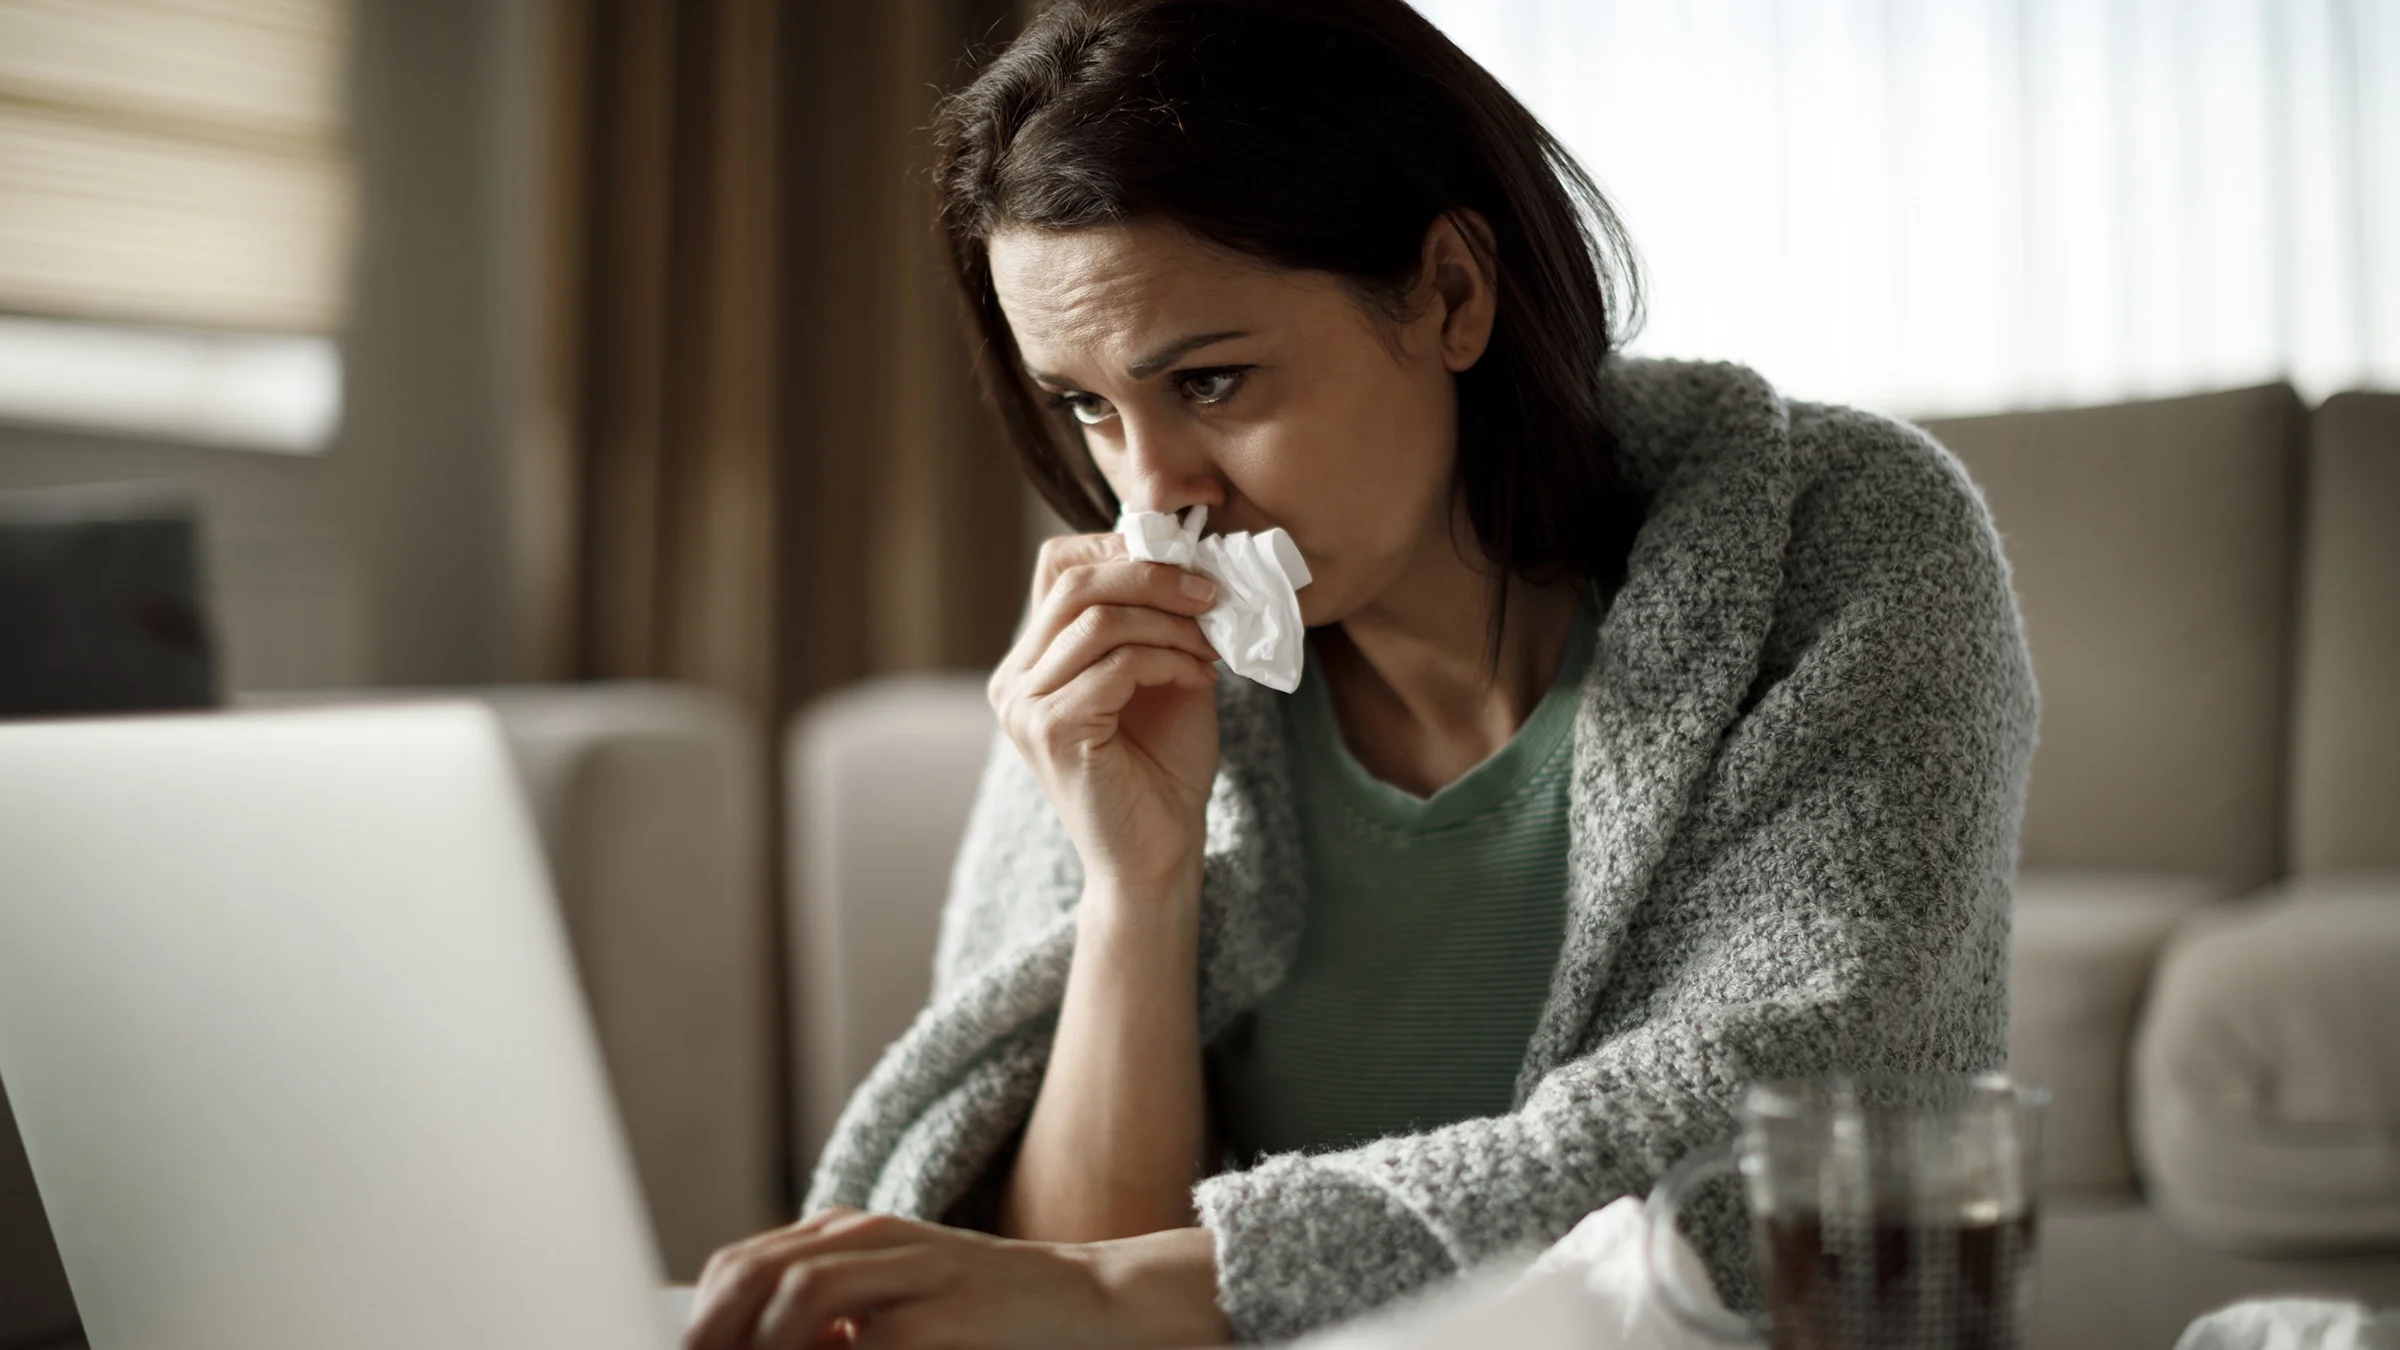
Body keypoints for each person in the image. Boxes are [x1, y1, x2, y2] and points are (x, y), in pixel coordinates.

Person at [684, 0, 2037, 1346]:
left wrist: (1125, 1288)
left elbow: (1763, 1155)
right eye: (1089, 408)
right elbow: (1049, 1299)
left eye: (1210, 382)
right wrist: (1132, 887)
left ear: (1451, 293)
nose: (1159, 497)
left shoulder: (1844, 541)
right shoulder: (1130, 667)